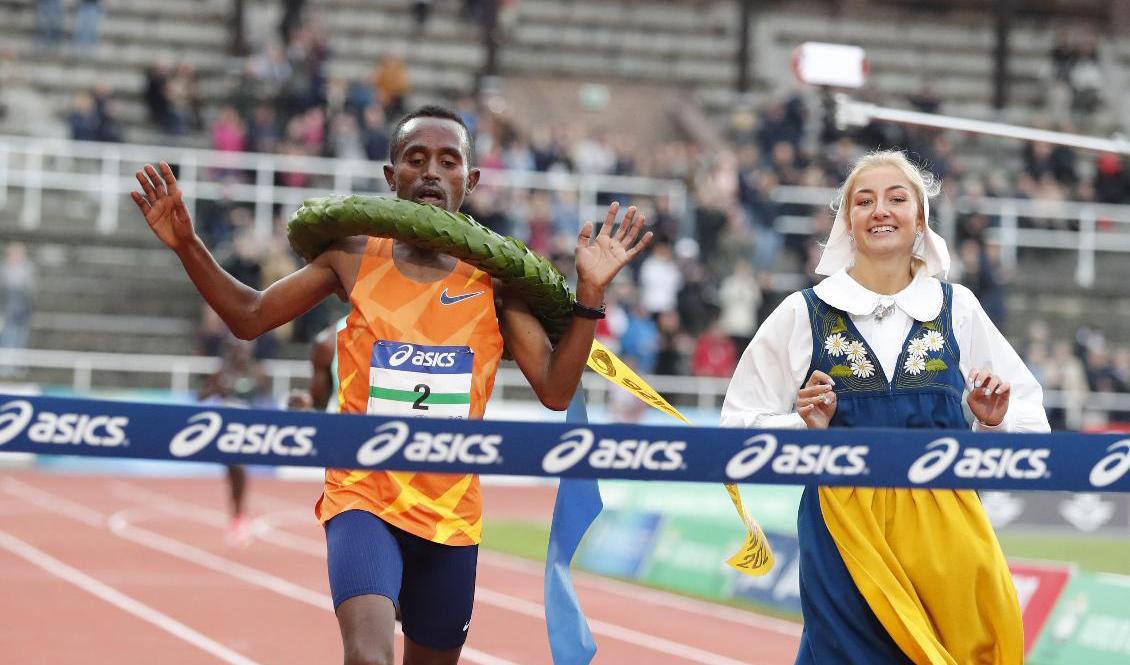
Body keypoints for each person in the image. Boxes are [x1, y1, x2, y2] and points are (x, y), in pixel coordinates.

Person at [131, 104, 651, 665]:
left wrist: (590, 294)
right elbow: (250, 314)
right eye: (415, 158)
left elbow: (554, 389)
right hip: (363, 496)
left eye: (448, 161)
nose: (431, 171)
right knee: (368, 657)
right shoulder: (352, 257)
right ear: (391, 177)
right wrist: (188, 243)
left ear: (469, 181)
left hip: (450, 514)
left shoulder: (498, 283)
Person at [720, 150, 1049, 665]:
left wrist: (993, 421)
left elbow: (1032, 430)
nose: (881, 210)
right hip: (844, 532)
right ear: (846, 221)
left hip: (947, 533)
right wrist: (802, 426)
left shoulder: (958, 308)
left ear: (920, 219)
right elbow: (736, 429)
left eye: (897, 199)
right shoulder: (803, 312)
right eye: (864, 201)